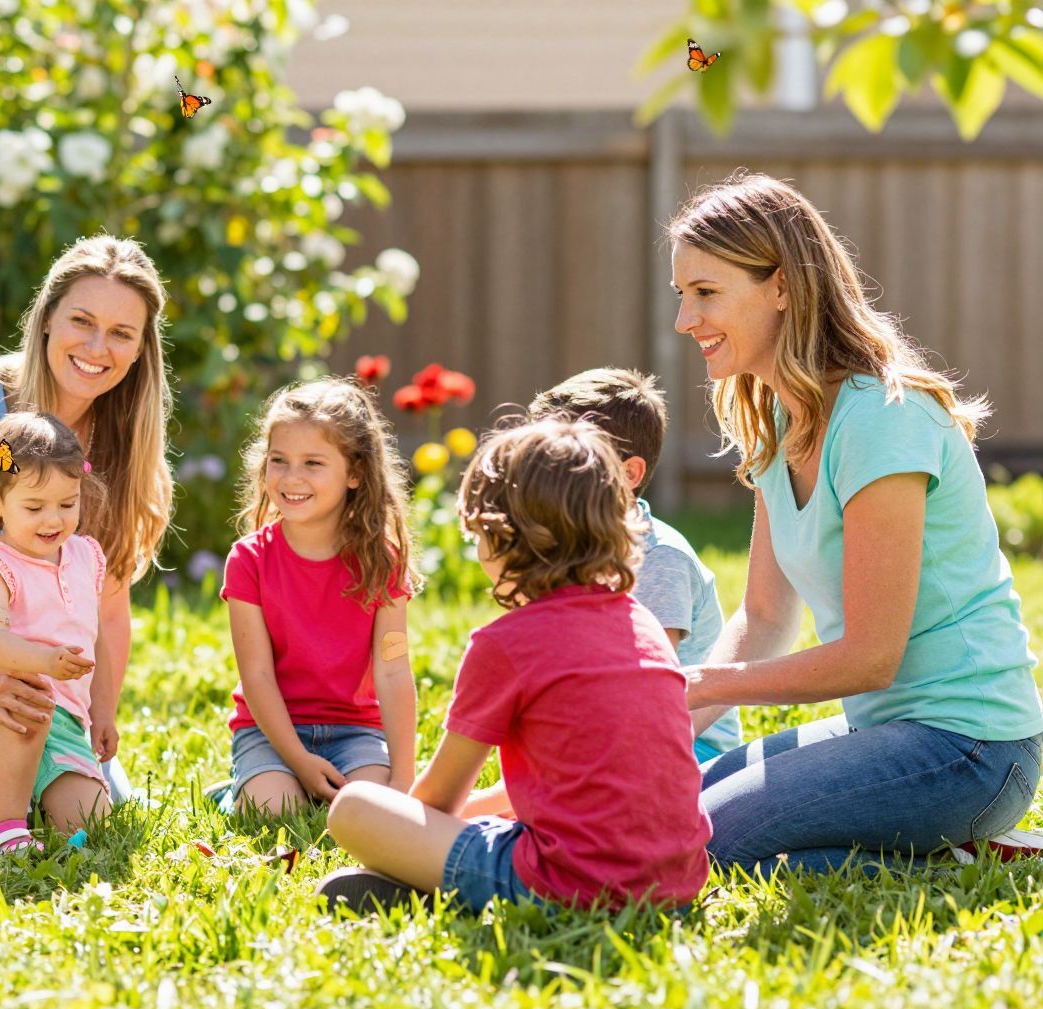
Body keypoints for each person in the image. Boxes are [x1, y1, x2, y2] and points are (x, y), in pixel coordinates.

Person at [670, 172, 1043, 873]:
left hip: (971, 749)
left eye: (707, 293)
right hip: (888, 732)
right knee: (677, 802)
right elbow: (764, 613)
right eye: (682, 295)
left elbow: (874, 658)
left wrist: (705, 684)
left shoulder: (879, 418)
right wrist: (667, 731)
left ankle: (957, 857)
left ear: (782, 286)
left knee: (700, 844)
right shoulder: (779, 417)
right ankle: (942, 842)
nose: (686, 321)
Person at [319, 418, 711, 913]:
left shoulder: (506, 644)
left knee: (356, 807)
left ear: (501, 538)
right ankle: (439, 875)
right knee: (488, 828)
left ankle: (425, 881)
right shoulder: (643, 624)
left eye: (478, 536)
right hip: (676, 880)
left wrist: (399, 837)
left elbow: (436, 801)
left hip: (570, 886)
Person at [0, 235, 173, 813]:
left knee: (95, 808)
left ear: (139, 350)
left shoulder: (124, 439)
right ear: (47, 320)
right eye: (82, 321)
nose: (97, 347)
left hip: (53, 686)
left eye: (121, 333)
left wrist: (98, 712)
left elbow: (108, 609)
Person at [219, 378, 420, 813]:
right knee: (277, 809)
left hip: (356, 732)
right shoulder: (248, 560)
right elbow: (257, 677)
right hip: (271, 732)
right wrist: (299, 761)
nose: (292, 478)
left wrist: (403, 778)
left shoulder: (381, 561)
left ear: (355, 473)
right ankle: (240, 790)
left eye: (313, 463)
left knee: (370, 810)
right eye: (279, 460)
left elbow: (393, 670)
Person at [527, 368, 738, 762]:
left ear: (629, 473)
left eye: (565, 463)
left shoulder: (659, 559)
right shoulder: (574, 549)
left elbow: (650, 696)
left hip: (685, 747)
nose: (542, 479)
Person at [0, 413, 116, 856]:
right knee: (34, 696)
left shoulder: (85, 557)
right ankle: (5, 829)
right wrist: (45, 661)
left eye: (67, 503)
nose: (53, 519)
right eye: (35, 507)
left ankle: (23, 807)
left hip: (65, 721)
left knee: (91, 820)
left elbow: (97, 640)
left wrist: (104, 712)